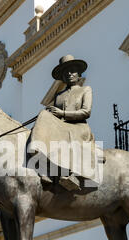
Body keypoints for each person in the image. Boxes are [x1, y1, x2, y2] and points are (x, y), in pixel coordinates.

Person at [30, 55, 97, 191]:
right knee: (43, 115)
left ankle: (72, 174)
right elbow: (56, 119)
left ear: (79, 73)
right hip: (62, 127)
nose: (69, 74)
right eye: (65, 72)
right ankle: (42, 161)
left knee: (66, 135)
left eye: (72, 71)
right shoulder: (58, 96)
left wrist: (62, 114)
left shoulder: (86, 90)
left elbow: (86, 112)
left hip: (79, 127)